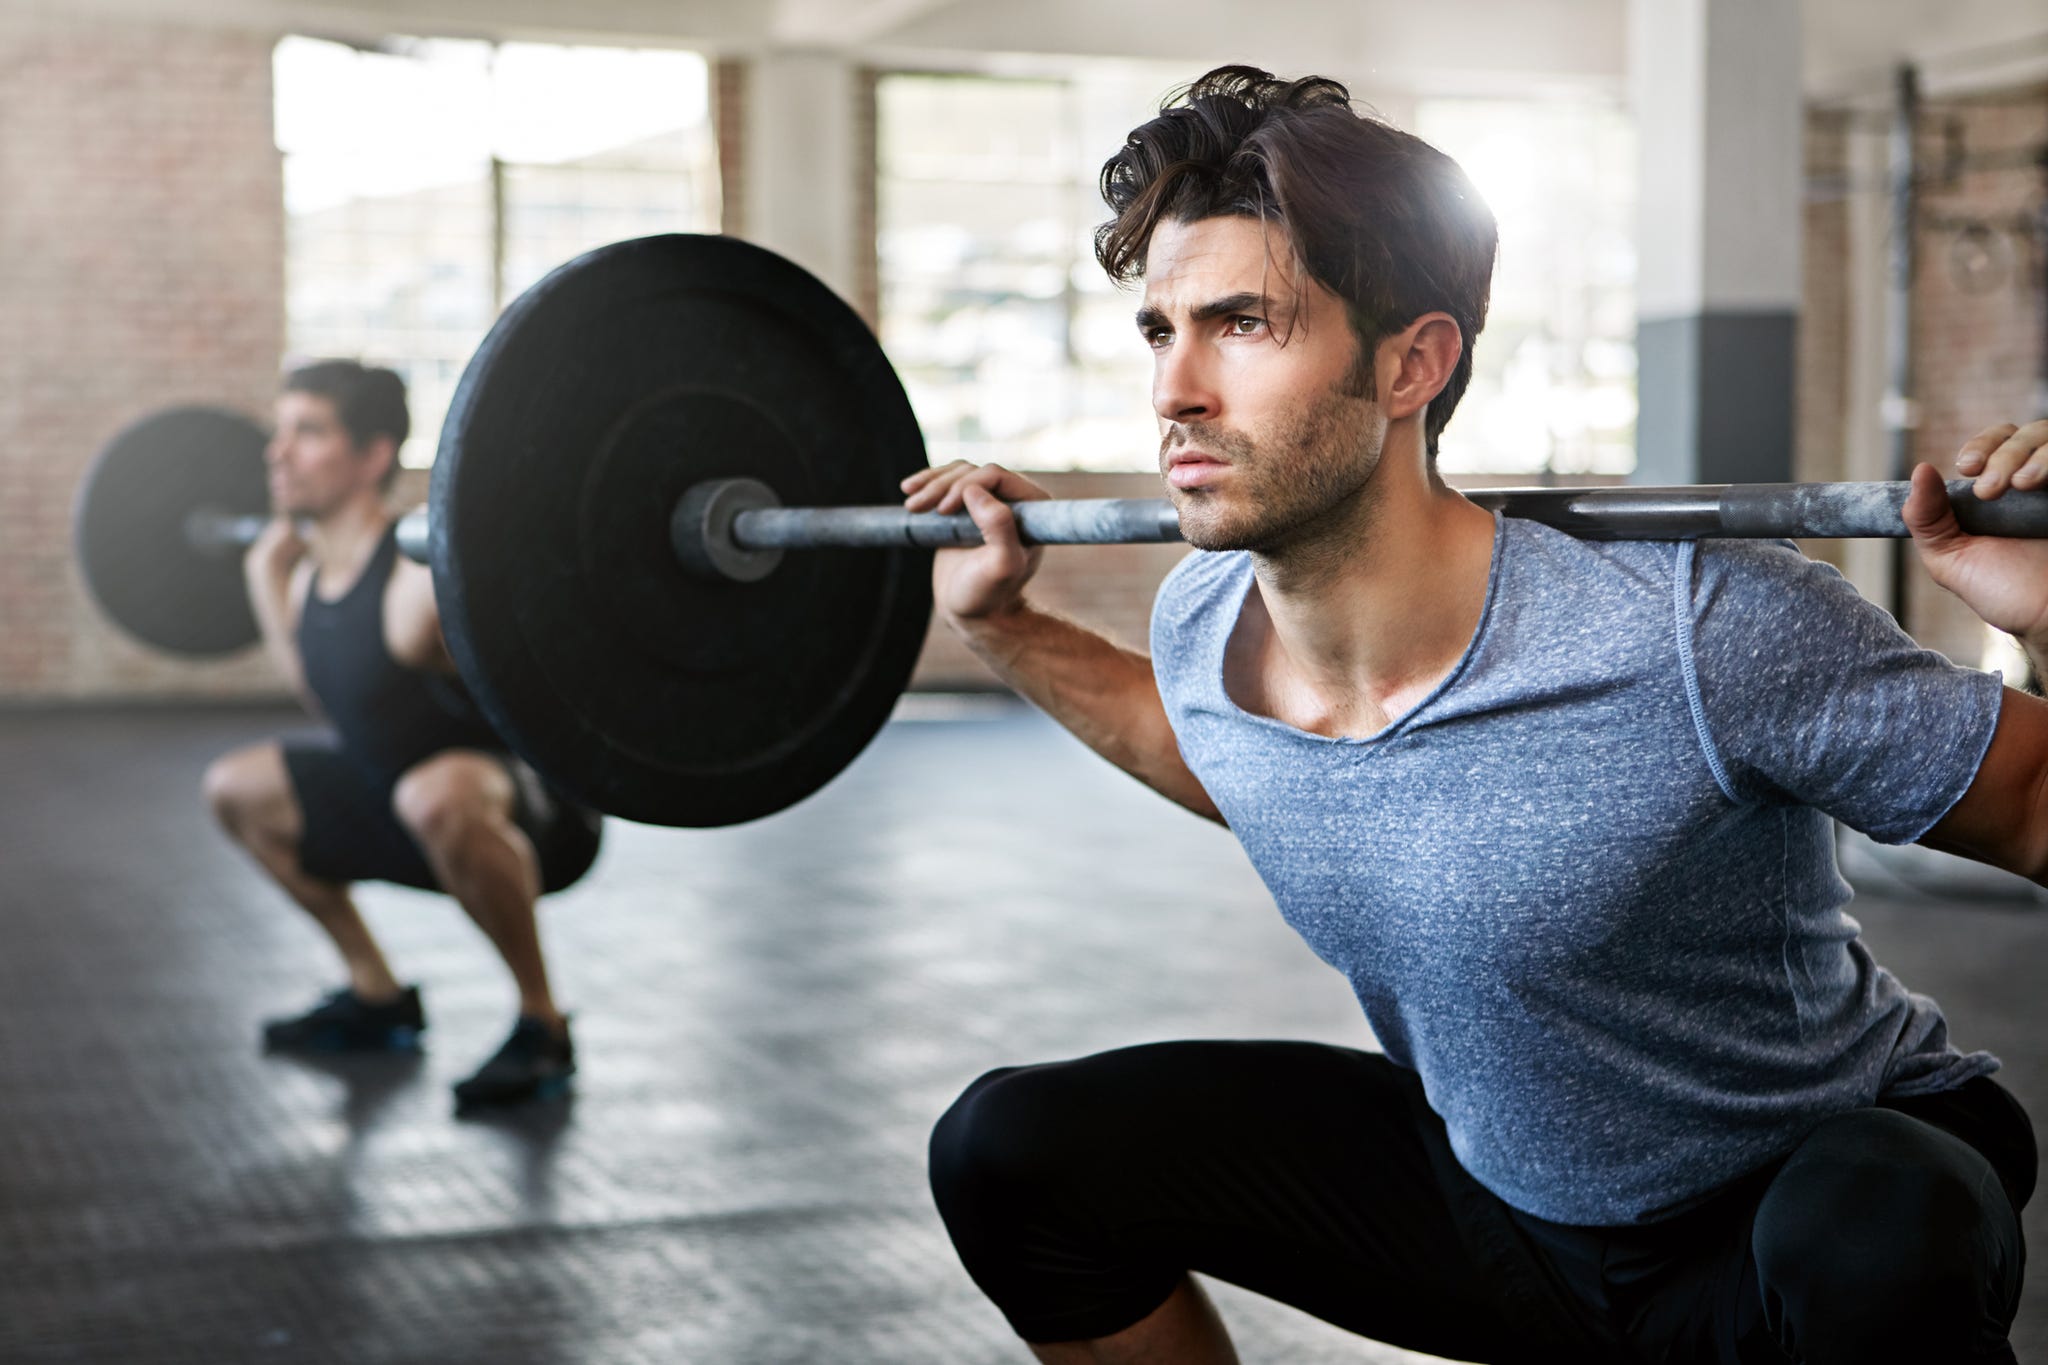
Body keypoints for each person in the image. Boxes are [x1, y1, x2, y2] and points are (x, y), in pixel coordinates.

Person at [914, 68, 2045, 1364]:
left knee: (1883, 1222)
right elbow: (1232, 762)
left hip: (1784, 1222)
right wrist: (1003, 624)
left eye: (1240, 323)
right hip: (1505, 1211)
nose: (1176, 388)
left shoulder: (1694, 629)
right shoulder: (1205, 628)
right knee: (1017, 1152)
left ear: (1413, 362)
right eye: (1159, 330)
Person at [202, 360, 602, 1112]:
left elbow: (535, 635)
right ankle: (376, 993)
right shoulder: (308, 570)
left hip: (535, 814)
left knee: (432, 794)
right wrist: (266, 578)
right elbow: (330, 700)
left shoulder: (411, 579)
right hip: (403, 800)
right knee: (237, 786)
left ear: (373, 456)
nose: (276, 452)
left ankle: (542, 1022)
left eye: (308, 432)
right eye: (280, 430)